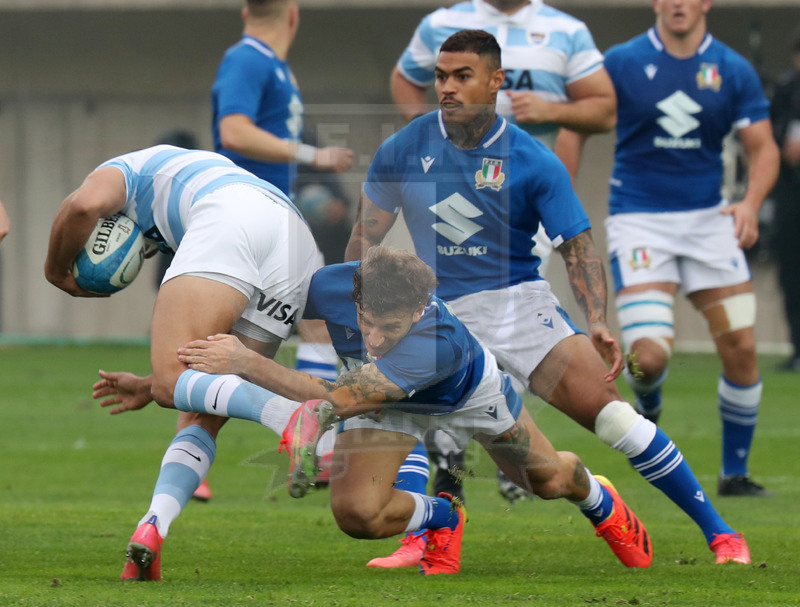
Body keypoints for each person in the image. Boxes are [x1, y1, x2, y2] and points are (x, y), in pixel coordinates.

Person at [344, 29, 751, 565]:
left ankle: (721, 534)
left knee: (614, 420)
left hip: (517, 307)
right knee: (408, 418)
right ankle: (427, 536)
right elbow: (364, 238)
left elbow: (577, 249)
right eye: (441, 76)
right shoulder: (404, 147)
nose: (447, 87)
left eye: (462, 76)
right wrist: (361, 311)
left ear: (496, 81)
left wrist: (598, 321)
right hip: (436, 313)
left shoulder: (532, 160)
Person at [176, 246, 654, 574]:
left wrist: (244, 362)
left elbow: (339, 399)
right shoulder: (327, 287)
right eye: (368, 322)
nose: (376, 338)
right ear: (355, 297)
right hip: (383, 398)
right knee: (358, 516)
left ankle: (598, 498)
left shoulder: (435, 344)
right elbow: (259, 311)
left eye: (391, 327)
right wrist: (162, 377)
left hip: (468, 397)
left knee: (548, 482)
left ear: (421, 308)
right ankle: (444, 517)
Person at [45, 145, 320, 581]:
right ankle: (152, 528)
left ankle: (287, 416)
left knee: (171, 387)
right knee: (202, 409)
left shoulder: (122, 171)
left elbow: (81, 205)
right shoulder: (176, 189)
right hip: (295, 244)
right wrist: (152, 380)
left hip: (234, 215)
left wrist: (56, 272)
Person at [390, 0, 617, 504]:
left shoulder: (566, 30)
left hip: (526, 208)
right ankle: (450, 485)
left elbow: (604, 109)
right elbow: (404, 82)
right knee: (449, 337)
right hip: (455, 206)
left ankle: (510, 452)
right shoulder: (441, 24)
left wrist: (553, 110)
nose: (449, 85)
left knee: (515, 342)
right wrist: (433, 142)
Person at [598, 0, 779, 497]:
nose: (678, 3)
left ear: (705, 3)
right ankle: (648, 403)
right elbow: (580, 123)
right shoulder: (621, 62)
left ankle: (734, 474)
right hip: (639, 221)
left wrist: (750, 202)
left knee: (742, 346)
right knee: (648, 359)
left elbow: (763, 148)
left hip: (709, 220)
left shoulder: (732, 69)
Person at [212, 0, 354, 385]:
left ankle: (314, 429)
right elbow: (234, 132)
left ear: (246, 13)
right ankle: (317, 428)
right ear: (293, 15)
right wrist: (313, 155)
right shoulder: (248, 59)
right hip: (249, 216)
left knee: (316, 322)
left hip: (271, 216)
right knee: (221, 359)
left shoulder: (275, 67)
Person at [770, 28, 800, 372]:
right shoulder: (786, 89)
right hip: (791, 198)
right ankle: (797, 348)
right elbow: (766, 137)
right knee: (792, 278)